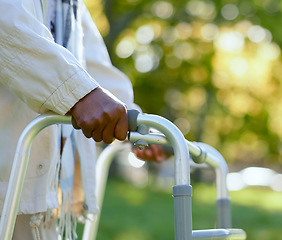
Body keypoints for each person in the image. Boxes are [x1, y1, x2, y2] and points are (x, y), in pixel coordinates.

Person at [0, 0, 166, 239]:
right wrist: (77, 93)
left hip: (42, 185)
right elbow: (7, 26)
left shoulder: (71, 4)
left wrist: (136, 124)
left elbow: (91, 67)